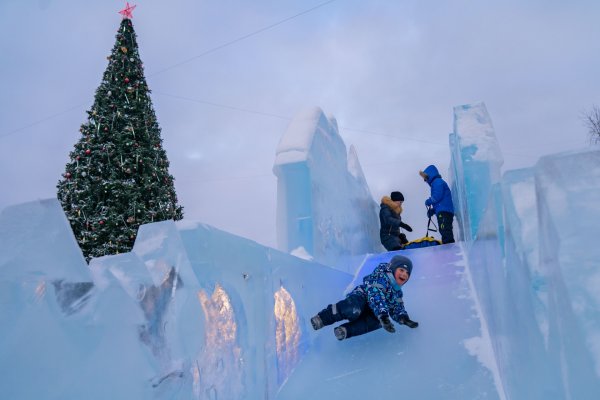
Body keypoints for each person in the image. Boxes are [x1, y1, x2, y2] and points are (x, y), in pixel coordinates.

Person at [310, 255, 419, 341]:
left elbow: (397, 306)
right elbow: (376, 295)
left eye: (407, 273)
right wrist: (383, 315)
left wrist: (403, 318)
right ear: (393, 268)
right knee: (353, 308)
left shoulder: (397, 293)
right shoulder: (381, 276)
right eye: (401, 270)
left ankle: (345, 331)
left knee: (377, 323)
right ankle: (322, 318)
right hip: (362, 298)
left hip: (374, 310)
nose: (404, 274)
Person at [419, 165, 455, 244]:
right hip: (444, 211)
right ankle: (448, 247)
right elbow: (440, 203)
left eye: (425, 178)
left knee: (445, 231)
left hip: (444, 212)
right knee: (444, 230)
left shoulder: (437, 182)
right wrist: (433, 211)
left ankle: (449, 248)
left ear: (429, 175)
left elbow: (437, 196)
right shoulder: (436, 183)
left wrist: (429, 201)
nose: (424, 180)